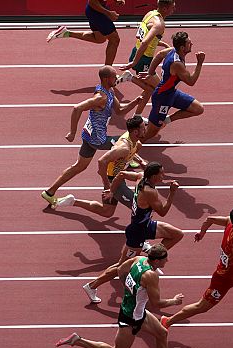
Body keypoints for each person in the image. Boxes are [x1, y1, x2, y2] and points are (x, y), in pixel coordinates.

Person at [55, 244, 190, 348]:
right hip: (131, 317)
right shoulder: (151, 276)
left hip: (135, 310)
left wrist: (129, 290)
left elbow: (120, 269)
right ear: (156, 261)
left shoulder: (139, 259)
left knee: (162, 333)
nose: (167, 261)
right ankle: (78, 341)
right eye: (165, 259)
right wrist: (174, 301)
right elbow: (156, 304)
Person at [82, 162, 184, 304]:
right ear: (154, 176)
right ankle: (91, 286)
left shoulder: (141, 176)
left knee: (177, 234)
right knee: (121, 265)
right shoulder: (150, 192)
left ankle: (151, 259)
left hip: (146, 225)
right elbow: (163, 212)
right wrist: (172, 192)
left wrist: (112, 191)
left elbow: (122, 174)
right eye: (161, 173)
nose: (163, 175)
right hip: (137, 232)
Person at [41, 65, 143, 207]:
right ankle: (129, 160)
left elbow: (120, 111)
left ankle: (50, 192)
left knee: (78, 166)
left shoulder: (110, 92)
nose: (117, 79)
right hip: (97, 139)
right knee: (127, 140)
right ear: (107, 79)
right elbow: (77, 108)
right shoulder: (100, 98)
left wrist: (135, 102)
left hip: (89, 137)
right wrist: (72, 132)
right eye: (115, 77)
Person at [53, 115, 146, 216]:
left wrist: (141, 161)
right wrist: (107, 185)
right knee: (140, 206)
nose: (145, 128)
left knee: (107, 211)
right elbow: (101, 161)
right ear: (136, 132)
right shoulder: (124, 147)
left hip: (118, 176)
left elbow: (131, 152)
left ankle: (73, 201)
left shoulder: (135, 141)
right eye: (143, 127)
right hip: (114, 181)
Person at [138, 31, 205, 142]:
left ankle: (166, 120)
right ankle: (130, 146)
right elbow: (191, 81)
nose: (191, 44)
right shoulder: (177, 64)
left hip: (171, 93)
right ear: (182, 47)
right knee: (150, 133)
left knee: (198, 109)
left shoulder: (173, 50)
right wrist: (199, 64)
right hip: (162, 98)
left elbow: (159, 55)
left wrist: (150, 73)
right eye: (189, 43)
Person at [116, 0, 176, 119]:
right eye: (172, 7)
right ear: (165, 8)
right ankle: (130, 77)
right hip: (143, 59)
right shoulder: (159, 24)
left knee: (150, 89)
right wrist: (134, 62)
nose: (174, 10)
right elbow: (145, 42)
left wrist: (163, 44)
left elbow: (144, 37)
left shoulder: (150, 14)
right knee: (160, 88)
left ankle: (137, 116)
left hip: (136, 51)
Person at [46, 0, 126, 66]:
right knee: (114, 39)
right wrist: (108, 13)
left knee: (99, 39)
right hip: (96, 11)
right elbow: (92, 1)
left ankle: (66, 33)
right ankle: (107, 74)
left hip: (94, 10)